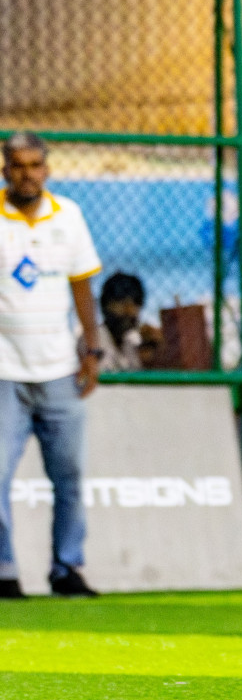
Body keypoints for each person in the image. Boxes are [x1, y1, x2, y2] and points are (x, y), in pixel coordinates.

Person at [0, 132, 104, 598]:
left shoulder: (70, 216)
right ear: (4, 168)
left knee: (69, 474)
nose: (28, 173)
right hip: (4, 371)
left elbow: (82, 287)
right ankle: (4, 569)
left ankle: (67, 567)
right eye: (18, 165)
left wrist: (92, 350)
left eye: (35, 164)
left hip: (60, 368)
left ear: (47, 168)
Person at [97, 271, 160, 372]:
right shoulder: (94, 340)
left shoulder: (133, 342)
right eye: (122, 303)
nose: (129, 310)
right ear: (106, 304)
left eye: (135, 303)